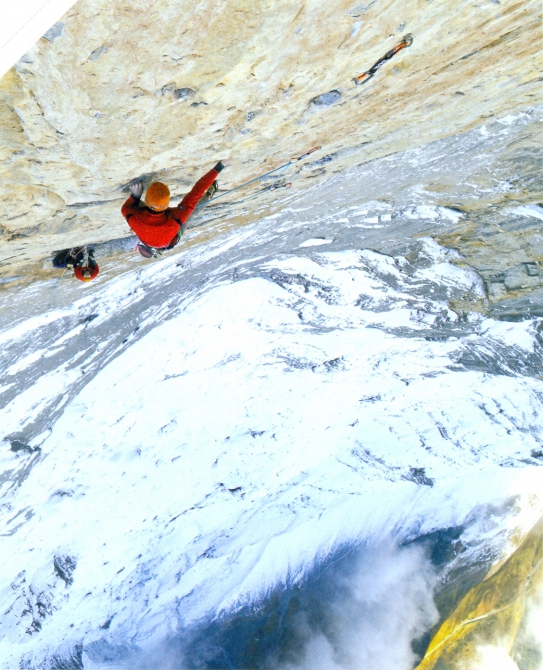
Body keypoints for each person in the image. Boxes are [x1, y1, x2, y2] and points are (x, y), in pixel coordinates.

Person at [121, 161, 225, 257]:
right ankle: (208, 196)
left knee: (191, 211)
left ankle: (208, 196)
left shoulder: (138, 221)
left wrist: (219, 167)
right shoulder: (138, 221)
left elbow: (195, 194)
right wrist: (136, 196)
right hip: (173, 229)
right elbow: (195, 194)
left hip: (169, 231)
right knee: (191, 211)